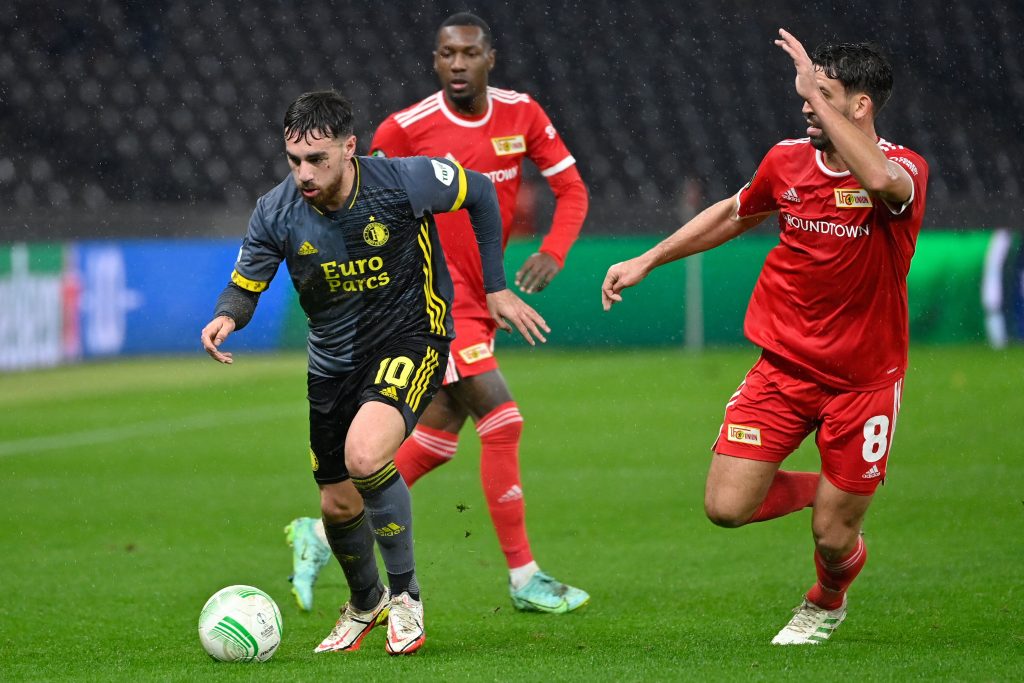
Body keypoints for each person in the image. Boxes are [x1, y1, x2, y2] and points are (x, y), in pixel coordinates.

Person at [602, 30, 928, 645]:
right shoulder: (786, 161)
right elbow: (733, 213)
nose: (805, 102)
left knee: (834, 544)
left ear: (860, 106)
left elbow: (883, 181)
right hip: (783, 369)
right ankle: (835, 498)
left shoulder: (905, 168)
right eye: (806, 92)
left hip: (864, 384)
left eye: (822, 93)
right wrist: (648, 259)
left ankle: (827, 596)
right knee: (726, 508)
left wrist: (825, 102)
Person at [201, 89, 548, 655]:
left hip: (412, 338)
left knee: (366, 455)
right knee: (337, 503)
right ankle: (365, 603)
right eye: (294, 160)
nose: (304, 173)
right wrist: (224, 317)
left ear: (350, 148)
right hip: (333, 362)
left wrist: (494, 287)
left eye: (318, 160)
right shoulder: (275, 211)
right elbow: (246, 284)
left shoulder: (402, 180)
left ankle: (406, 597)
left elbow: (480, 192)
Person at [284, 12, 590, 616]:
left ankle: (319, 533)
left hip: (483, 298)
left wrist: (553, 251)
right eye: (446, 53)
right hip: (433, 301)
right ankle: (524, 576)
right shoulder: (407, 128)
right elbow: (356, 198)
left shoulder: (523, 114)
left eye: (469, 53)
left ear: (489, 58)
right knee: (503, 419)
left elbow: (573, 189)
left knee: (440, 433)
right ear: (434, 60)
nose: (457, 64)